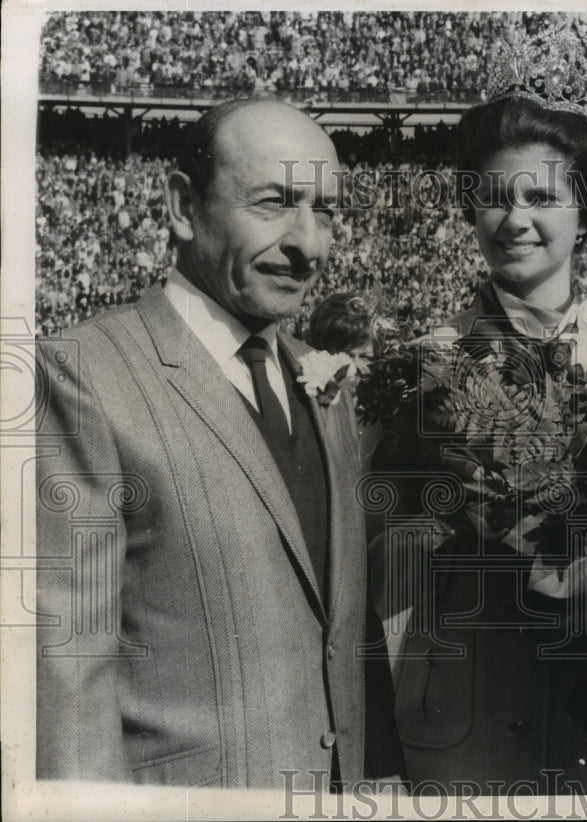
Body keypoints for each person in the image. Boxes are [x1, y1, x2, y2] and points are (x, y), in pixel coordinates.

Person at [35, 98, 403, 789]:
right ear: (182, 206)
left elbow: (346, 636)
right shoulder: (83, 376)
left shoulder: (326, 391)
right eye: (275, 203)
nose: (309, 244)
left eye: (324, 211)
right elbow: (66, 678)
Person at [373, 27, 587, 793]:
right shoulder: (424, 366)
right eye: (492, 197)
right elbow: (386, 550)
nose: (514, 219)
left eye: (540, 197)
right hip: (466, 712)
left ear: (586, 213)